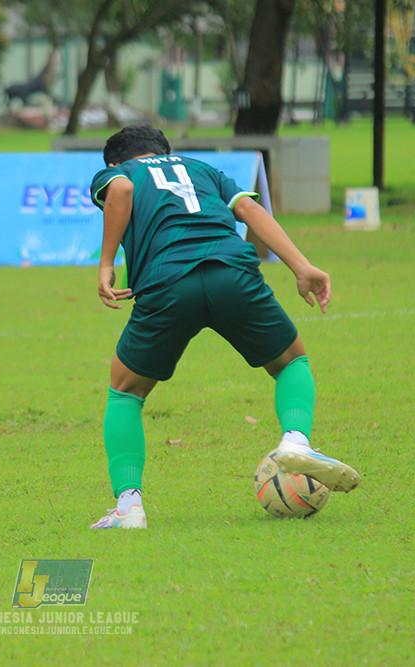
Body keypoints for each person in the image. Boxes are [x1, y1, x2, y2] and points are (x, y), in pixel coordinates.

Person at [88, 126, 360, 530]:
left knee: (125, 390)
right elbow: (249, 211)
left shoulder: (120, 174)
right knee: (290, 361)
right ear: (167, 152)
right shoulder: (201, 169)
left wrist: (107, 263)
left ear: (115, 162)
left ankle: (129, 507)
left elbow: (122, 193)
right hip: (232, 271)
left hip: (167, 282)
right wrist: (301, 267)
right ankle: (296, 441)